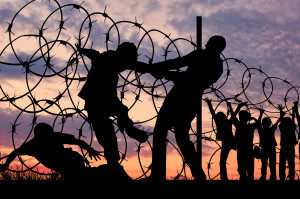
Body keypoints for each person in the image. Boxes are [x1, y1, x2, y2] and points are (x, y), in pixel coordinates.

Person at [137, 35, 226, 181]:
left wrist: (157, 70)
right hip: (192, 102)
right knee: (182, 138)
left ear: (215, 46)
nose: (206, 44)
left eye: (210, 42)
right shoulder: (218, 65)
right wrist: (160, 71)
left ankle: (158, 175)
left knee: (161, 131)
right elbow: (192, 77)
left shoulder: (202, 55)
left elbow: (182, 68)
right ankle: (198, 175)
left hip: (178, 98)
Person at [76, 42, 148, 166]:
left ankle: (115, 159)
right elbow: (95, 55)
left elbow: (94, 54)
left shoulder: (117, 60)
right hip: (96, 103)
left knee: (116, 117)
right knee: (107, 132)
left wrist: (82, 50)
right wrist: (82, 50)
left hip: (103, 102)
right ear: (123, 54)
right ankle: (114, 162)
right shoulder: (109, 58)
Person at [0, 123, 100, 177]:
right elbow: (78, 142)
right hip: (69, 161)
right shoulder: (34, 144)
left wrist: (6, 165)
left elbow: (15, 152)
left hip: (71, 161)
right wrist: (90, 149)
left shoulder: (33, 144)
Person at [205, 99, 244, 181]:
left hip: (226, 143)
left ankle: (224, 179)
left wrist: (209, 103)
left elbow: (212, 112)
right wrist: (236, 106)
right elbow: (234, 114)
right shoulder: (227, 122)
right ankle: (241, 175)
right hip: (232, 141)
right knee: (241, 157)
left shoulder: (218, 122)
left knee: (222, 162)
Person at [228, 102, 263, 181]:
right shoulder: (250, 127)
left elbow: (233, 117)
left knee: (242, 171)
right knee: (250, 172)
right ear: (248, 118)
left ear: (240, 118)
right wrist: (258, 115)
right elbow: (258, 124)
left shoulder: (238, 125)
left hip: (240, 150)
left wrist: (231, 106)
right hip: (249, 150)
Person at [257, 105, 284, 181]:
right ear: (269, 123)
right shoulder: (270, 129)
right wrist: (281, 112)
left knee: (265, 165)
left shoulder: (261, 130)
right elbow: (278, 121)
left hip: (266, 149)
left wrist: (261, 114)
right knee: (271, 165)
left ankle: (264, 177)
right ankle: (272, 177)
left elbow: (258, 124)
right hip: (271, 149)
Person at [279, 103, 297, 181]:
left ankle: (283, 178)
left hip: (284, 148)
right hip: (290, 148)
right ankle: (291, 177)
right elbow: (292, 119)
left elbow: (283, 120)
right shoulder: (291, 127)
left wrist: (281, 111)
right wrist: (293, 111)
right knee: (291, 164)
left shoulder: (283, 128)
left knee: (283, 164)